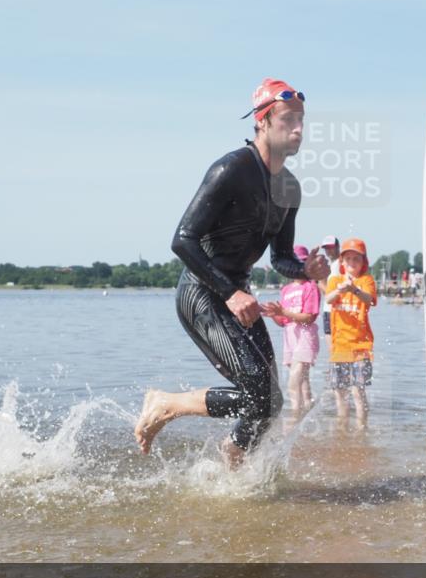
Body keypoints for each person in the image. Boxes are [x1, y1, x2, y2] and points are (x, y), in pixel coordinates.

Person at [133, 79, 329, 468]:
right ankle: (167, 404)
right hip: (203, 293)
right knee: (258, 392)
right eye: (288, 120)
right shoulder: (231, 170)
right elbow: (183, 240)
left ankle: (233, 467)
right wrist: (230, 293)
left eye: (301, 121)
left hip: (239, 296)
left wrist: (304, 271)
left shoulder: (290, 188)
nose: (298, 130)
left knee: (271, 401)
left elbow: (281, 258)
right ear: (262, 122)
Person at [324, 238, 377, 430]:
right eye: (348, 259)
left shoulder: (366, 280)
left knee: (358, 391)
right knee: (340, 393)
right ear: (342, 263)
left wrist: (353, 289)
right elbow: (329, 299)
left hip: (361, 348)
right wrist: (340, 290)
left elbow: (369, 299)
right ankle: (342, 428)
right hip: (339, 347)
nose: (352, 263)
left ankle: (362, 429)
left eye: (356, 259)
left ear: (363, 262)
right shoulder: (335, 280)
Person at [264, 244, 320, 423]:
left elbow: (309, 317)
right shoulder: (286, 290)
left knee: (293, 381)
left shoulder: (311, 287)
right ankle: (308, 416)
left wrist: (285, 313)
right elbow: (284, 322)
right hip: (290, 337)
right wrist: (274, 315)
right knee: (303, 383)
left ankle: (293, 420)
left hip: (305, 336)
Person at [318, 235, 341, 336]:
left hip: (339, 310)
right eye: (326, 248)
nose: (328, 250)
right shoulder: (330, 264)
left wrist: (320, 282)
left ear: (337, 247)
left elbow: (326, 290)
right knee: (332, 348)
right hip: (327, 309)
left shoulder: (341, 263)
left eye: (331, 247)